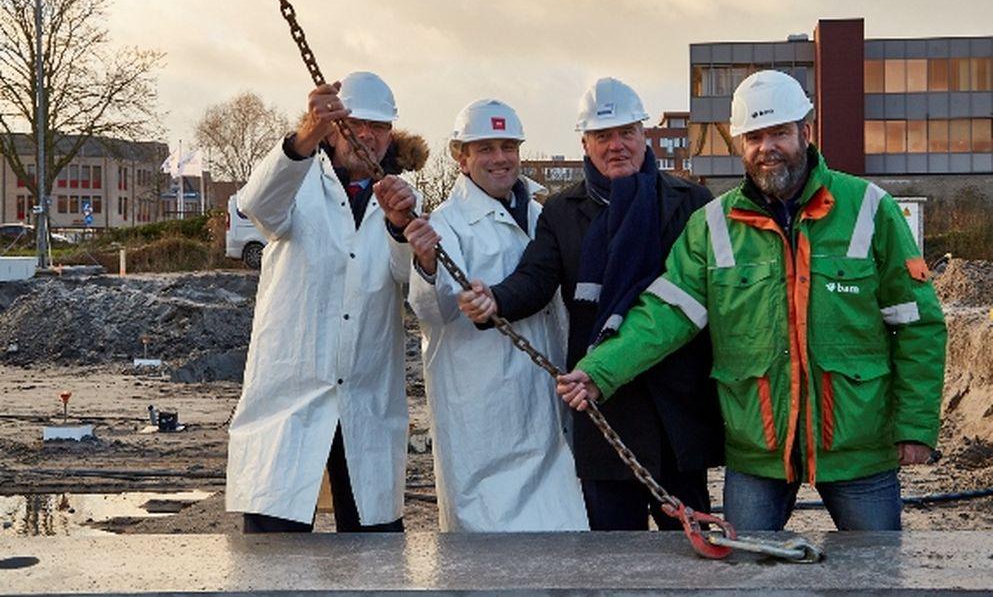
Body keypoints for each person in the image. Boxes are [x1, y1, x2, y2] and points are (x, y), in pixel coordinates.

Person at [558, 69, 947, 532]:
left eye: (779, 133)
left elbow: (917, 323)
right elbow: (665, 314)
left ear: (805, 132)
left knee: (876, 574)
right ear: (739, 144)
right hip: (758, 449)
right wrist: (602, 370)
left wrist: (915, 426)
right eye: (754, 136)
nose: (767, 148)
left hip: (858, 446)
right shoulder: (712, 225)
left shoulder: (869, 208)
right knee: (746, 575)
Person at [457, 79, 724, 531]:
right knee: (611, 560)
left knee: (689, 554)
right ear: (585, 143)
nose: (616, 145)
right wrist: (495, 299)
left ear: (644, 135)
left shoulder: (691, 203)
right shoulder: (562, 213)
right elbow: (536, 279)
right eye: (603, 136)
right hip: (604, 409)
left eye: (626, 133)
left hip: (676, 408)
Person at [226, 71, 428, 533]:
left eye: (378, 127)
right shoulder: (298, 181)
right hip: (292, 393)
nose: (365, 135)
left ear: (390, 135)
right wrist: (304, 137)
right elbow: (258, 206)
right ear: (332, 128)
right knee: (274, 551)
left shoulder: (398, 199)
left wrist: (401, 227)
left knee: (374, 552)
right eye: (353, 123)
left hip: (365, 393)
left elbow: (408, 277)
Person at [396, 99, 588, 532]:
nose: (499, 159)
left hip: (543, 394)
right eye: (485, 149)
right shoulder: (447, 223)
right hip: (482, 409)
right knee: (486, 540)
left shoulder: (542, 214)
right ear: (461, 158)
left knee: (558, 530)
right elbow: (433, 310)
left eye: (508, 147)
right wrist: (426, 262)